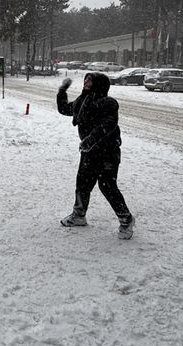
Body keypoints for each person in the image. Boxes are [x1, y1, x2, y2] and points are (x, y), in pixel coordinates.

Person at [56, 72, 134, 239]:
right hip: (89, 152)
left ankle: (126, 219)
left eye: (90, 81)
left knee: (107, 185)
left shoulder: (109, 103)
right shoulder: (82, 101)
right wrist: (62, 91)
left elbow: (109, 124)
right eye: (86, 80)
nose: (86, 83)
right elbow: (65, 109)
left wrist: (90, 140)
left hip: (108, 152)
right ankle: (79, 215)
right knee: (83, 183)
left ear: (99, 84)